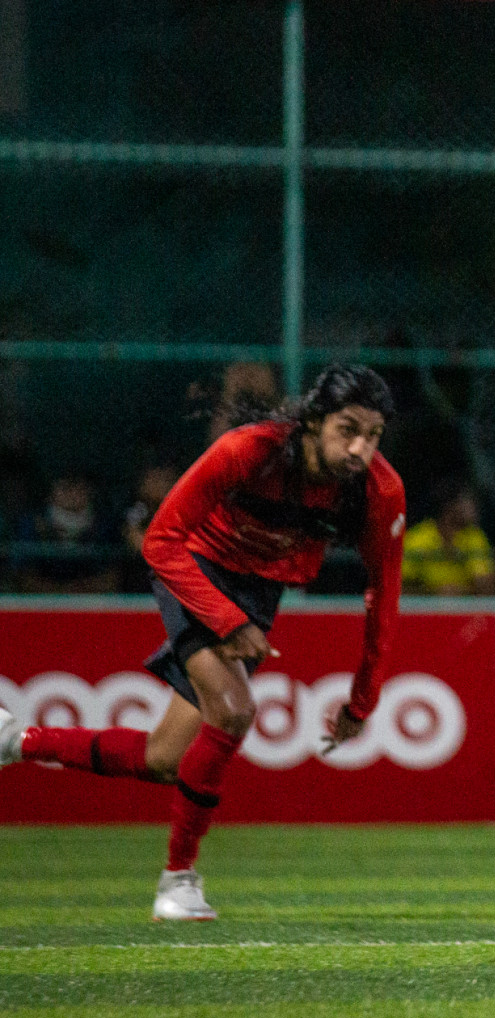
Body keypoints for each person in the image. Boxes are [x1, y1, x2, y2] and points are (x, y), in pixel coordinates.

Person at [0, 366, 405, 922]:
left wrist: (363, 700)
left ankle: (16, 741)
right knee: (235, 710)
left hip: (258, 589)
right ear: (313, 421)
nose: (360, 447)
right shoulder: (249, 451)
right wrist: (226, 618)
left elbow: (383, 595)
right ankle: (178, 883)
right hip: (193, 567)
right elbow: (160, 540)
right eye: (348, 428)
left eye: (374, 434)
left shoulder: (377, 490)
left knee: (166, 758)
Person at [14, 473, 119, 593]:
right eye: (65, 487)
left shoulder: (104, 525)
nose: (72, 493)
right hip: (42, 603)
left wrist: (80, 590)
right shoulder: (31, 523)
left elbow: (112, 576)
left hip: (92, 603)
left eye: (79, 487)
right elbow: (23, 575)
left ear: (90, 491)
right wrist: (58, 591)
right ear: (51, 492)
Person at [401, 479, 495, 596]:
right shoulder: (417, 539)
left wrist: (460, 591)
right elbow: (400, 587)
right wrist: (434, 592)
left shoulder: (475, 538)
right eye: (468, 501)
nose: (475, 508)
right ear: (450, 506)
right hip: (425, 611)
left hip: (465, 611)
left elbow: (488, 588)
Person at [120, 465, 178, 593]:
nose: (162, 485)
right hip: (139, 588)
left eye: (166, 480)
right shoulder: (137, 510)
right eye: (155, 479)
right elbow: (140, 545)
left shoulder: (181, 510)